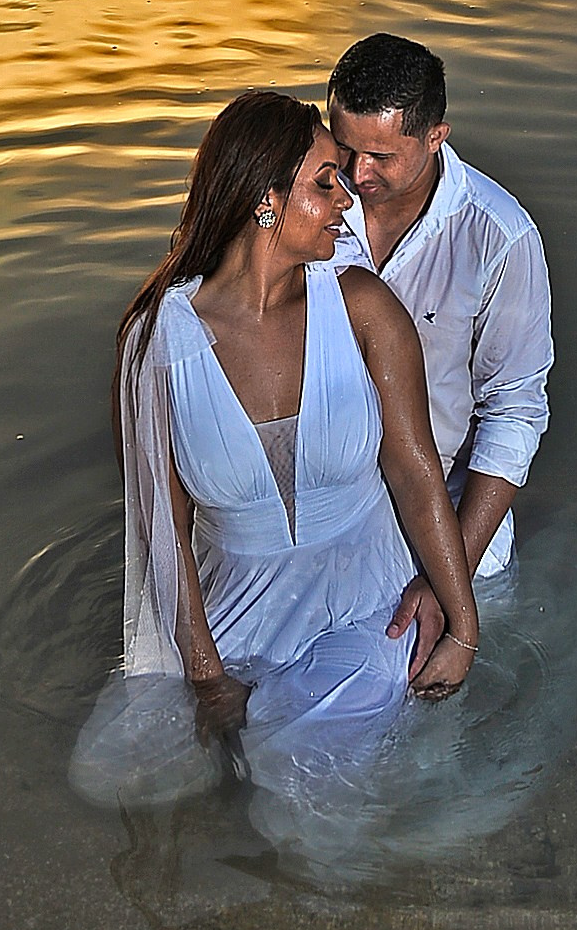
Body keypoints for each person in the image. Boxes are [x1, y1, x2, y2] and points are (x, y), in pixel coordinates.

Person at [71, 89, 482, 831]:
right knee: (107, 774)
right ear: (265, 198)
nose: (346, 201)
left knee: (301, 793)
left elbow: (416, 475)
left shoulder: (362, 307)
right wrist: (204, 675)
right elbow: (162, 524)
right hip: (233, 610)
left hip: (363, 605)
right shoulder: (158, 340)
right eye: (326, 182)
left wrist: (461, 625)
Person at [327, 33, 553, 684]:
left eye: (379, 156)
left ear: (436, 136)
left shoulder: (499, 237)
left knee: (430, 709)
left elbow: (513, 413)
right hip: (326, 515)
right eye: (344, 147)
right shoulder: (309, 206)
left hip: (449, 526)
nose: (356, 174)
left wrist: (446, 580)